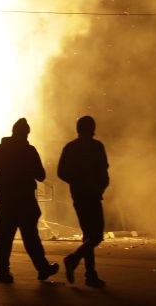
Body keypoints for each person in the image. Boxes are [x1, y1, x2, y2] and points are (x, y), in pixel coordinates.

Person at [0, 118, 60, 284]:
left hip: (6, 201)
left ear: (13, 132)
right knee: (31, 238)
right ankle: (42, 268)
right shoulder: (29, 151)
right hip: (26, 201)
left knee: (4, 238)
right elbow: (41, 175)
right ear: (26, 134)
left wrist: (1, 187)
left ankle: (2, 272)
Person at [57, 115, 110, 287]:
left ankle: (90, 274)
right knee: (96, 235)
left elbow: (61, 172)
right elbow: (103, 171)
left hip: (79, 195)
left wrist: (76, 181)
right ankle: (75, 260)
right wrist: (100, 186)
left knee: (89, 235)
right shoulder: (96, 147)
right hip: (92, 195)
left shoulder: (71, 148)